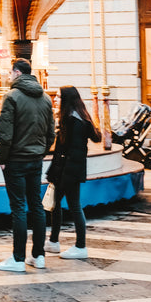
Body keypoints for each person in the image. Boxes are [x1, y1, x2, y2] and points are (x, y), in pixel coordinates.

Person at [0, 58, 55, 273]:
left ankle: (18, 258)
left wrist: (2, 158)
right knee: (36, 205)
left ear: (17, 73)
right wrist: (41, 151)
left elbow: (5, 133)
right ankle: (39, 256)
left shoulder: (11, 97)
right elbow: (51, 133)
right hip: (35, 159)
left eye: (10, 73)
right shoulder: (45, 98)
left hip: (16, 160)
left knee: (18, 207)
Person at [45, 86, 102, 259]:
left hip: (69, 171)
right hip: (65, 169)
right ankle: (54, 241)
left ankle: (80, 246)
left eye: (59, 97)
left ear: (67, 100)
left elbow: (74, 151)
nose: (55, 99)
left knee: (74, 206)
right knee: (55, 203)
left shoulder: (74, 121)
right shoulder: (73, 117)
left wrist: (64, 175)